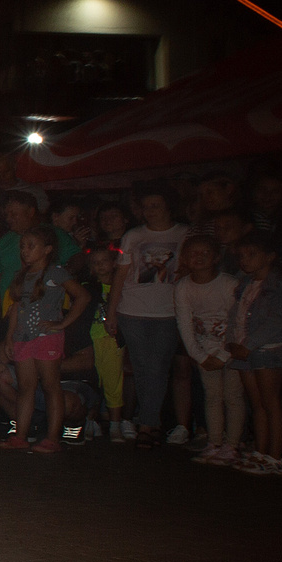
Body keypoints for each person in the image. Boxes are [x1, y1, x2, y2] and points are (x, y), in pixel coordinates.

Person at [108, 183, 192, 449]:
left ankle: (149, 421)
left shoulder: (185, 234)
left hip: (168, 311)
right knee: (143, 368)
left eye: (155, 205)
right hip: (133, 309)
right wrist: (112, 312)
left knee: (158, 367)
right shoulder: (133, 236)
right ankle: (148, 423)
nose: (150, 211)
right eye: (146, 207)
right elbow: (120, 274)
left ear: (168, 206)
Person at [0, 229, 88, 453]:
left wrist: (62, 324)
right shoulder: (22, 275)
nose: (25, 251)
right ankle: (21, 436)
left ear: (47, 249)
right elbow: (17, 308)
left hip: (47, 337)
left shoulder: (56, 273)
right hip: (23, 338)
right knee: (26, 387)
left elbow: (83, 296)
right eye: (23, 247)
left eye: (31, 246)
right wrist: (10, 337)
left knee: (50, 386)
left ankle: (52, 438)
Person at [218, 232, 282, 476]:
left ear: (270, 257)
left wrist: (248, 345)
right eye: (241, 256)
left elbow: (276, 321)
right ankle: (261, 451)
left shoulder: (279, 285)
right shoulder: (245, 283)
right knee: (257, 404)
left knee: (271, 403)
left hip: (266, 350)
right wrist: (231, 341)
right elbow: (235, 315)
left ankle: (276, 456)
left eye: (252, 255)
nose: (245, 260)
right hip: (245, 349)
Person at [174, 235, 243, 462]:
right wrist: (199, 355)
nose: (199, 257)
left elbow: (239, 323)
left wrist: (225, 354)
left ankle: (232, 445)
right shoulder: (183, 287)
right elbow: (185, 324)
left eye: (205, 253)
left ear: (216, 257)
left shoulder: (229, 284)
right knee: (212, 397)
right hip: (205, 351)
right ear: (184, 258)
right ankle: (214, 441)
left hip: (231, 350)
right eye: (193, 253)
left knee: (233, 396)